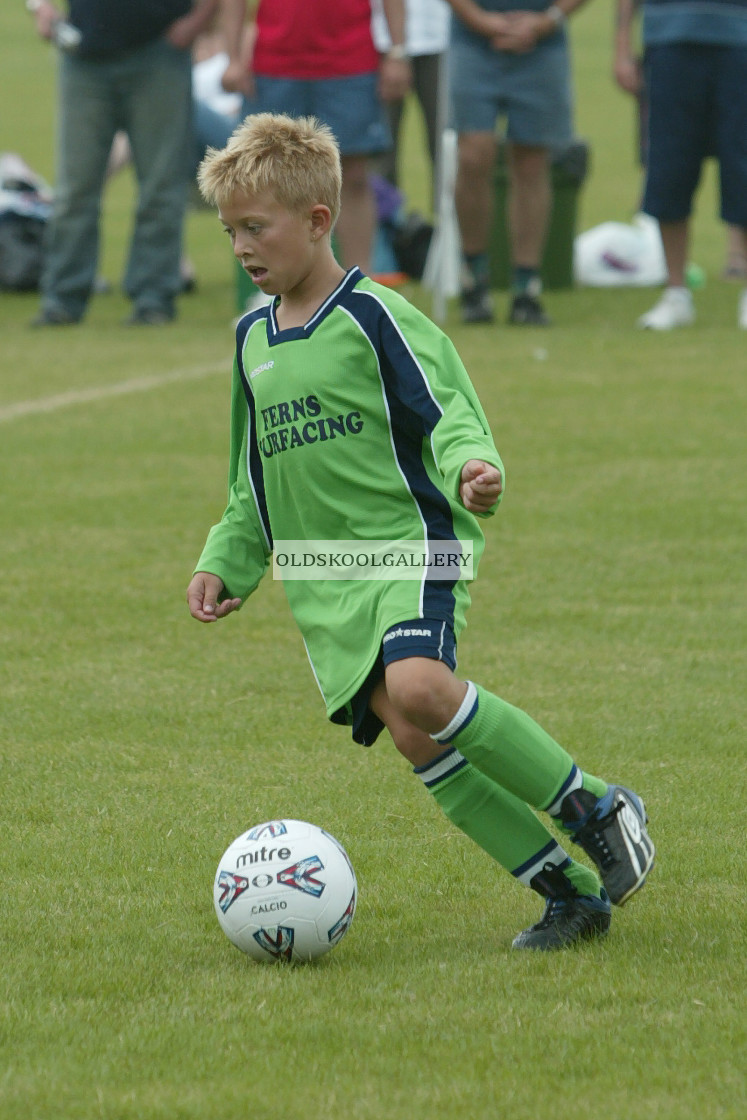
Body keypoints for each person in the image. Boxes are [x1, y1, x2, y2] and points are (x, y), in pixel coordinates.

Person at [186, 112, 655, 951]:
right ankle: (569, 894)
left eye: (256, 228)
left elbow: (446, 414)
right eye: (230, 232)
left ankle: (595, 805)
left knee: (420, 690)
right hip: (323, 580)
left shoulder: (375, 317)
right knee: (413, 733)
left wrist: (472, 467)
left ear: (318, 220)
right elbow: (250, 478)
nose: (241, 248)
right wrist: (227, 561)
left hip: (410, 547)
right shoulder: (251, 341)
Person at [27, 0, 220, 327]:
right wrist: (40, 7)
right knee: (75, 188)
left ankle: (153, 298)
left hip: (158, 51)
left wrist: (195, 22)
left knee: (160, 186)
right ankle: (61, 299)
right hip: (84, 55)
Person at [218, 0, 411, 275]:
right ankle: (273, 283)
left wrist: (398, 52)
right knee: (267, 182)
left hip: (349, 62)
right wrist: (233, 58)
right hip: (275, 64)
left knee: (352, 178)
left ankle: (358, 285)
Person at [445, 0, 588, 326]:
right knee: (473, 154)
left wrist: (548, 20)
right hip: (473, 40)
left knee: (532, 162)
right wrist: (478, 18)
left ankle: (526, 286)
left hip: (543, 44)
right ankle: (474, 278)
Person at [615, 0, 747, 330]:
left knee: (743, 166)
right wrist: (622, 46)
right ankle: (676, 292)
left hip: (740, 38)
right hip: (667, 40)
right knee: (669, 166)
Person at [371, 0, 452, 204]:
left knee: (447, 149)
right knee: (379, 151)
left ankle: (447, 232)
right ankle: (388, 228)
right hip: (379, 37)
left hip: (442, 36)